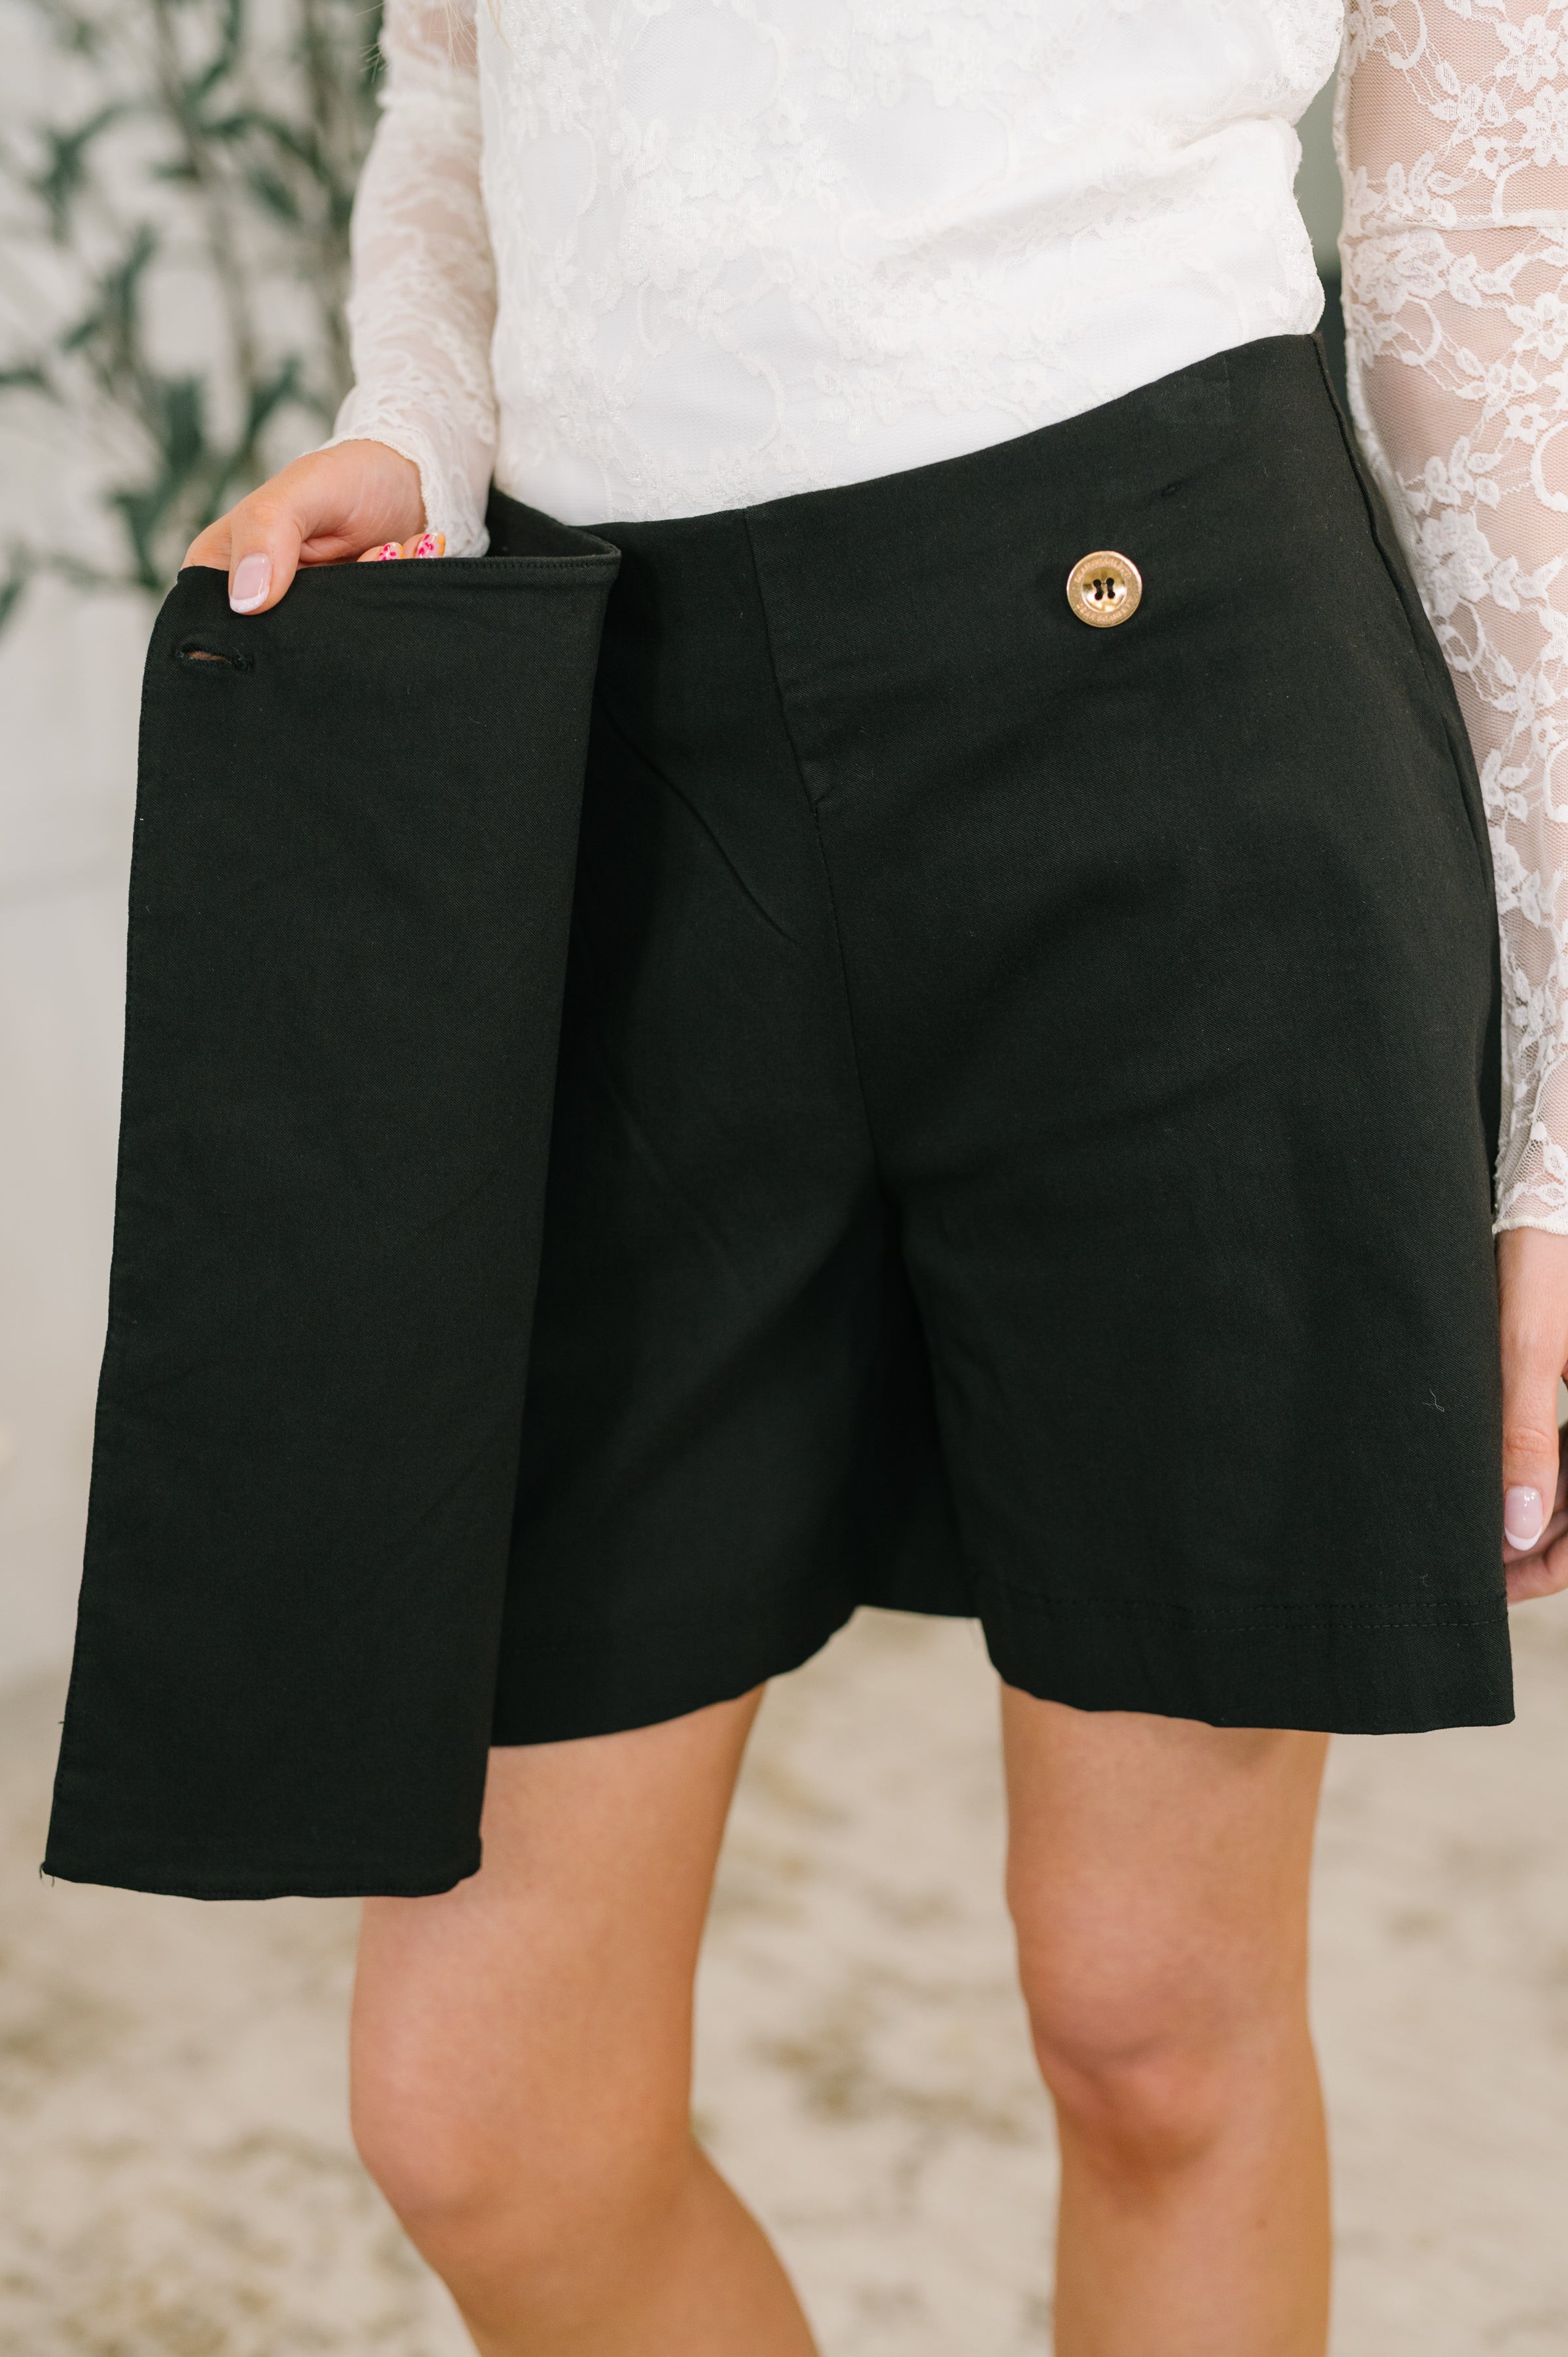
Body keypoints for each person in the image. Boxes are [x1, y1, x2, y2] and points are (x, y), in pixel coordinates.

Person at [181, 3, 1568, 2350]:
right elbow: (453, 77)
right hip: (633, 763)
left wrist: (1556, 1107)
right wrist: (418, 420)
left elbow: (1483, 274)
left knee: (1151, 2026)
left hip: (1184, 736)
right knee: (483, 2115)